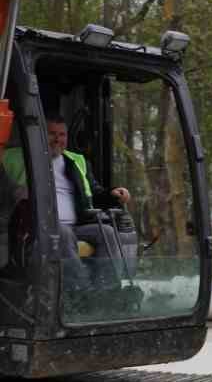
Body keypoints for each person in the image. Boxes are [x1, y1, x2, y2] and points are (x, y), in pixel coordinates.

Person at [4, 116, 133, 286]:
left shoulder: (76, 161)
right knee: (62, 232)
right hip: (35, 228)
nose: (58, 139)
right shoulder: (13, 157)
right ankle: (81, 289)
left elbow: (94, 193)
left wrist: (113, 194)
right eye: (52, 134)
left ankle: (107, 289)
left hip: (76, 226)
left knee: (107, 232)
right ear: (40, 134)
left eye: (62, 135)